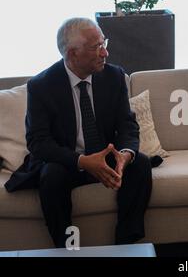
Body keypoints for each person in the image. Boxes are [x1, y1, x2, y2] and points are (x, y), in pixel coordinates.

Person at [5, 18, 162, 248]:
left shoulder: (114, 76)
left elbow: (127, 125)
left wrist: (125, 154)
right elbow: (38, 142)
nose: (105, 52)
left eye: (103, 43)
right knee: (51, 176)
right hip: (68, 161)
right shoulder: (41, 86)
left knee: (140, 165)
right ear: (72, 54)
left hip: (107, 157)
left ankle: (126, 245)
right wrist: (82, 161)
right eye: (96, 47)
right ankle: (67, 248)